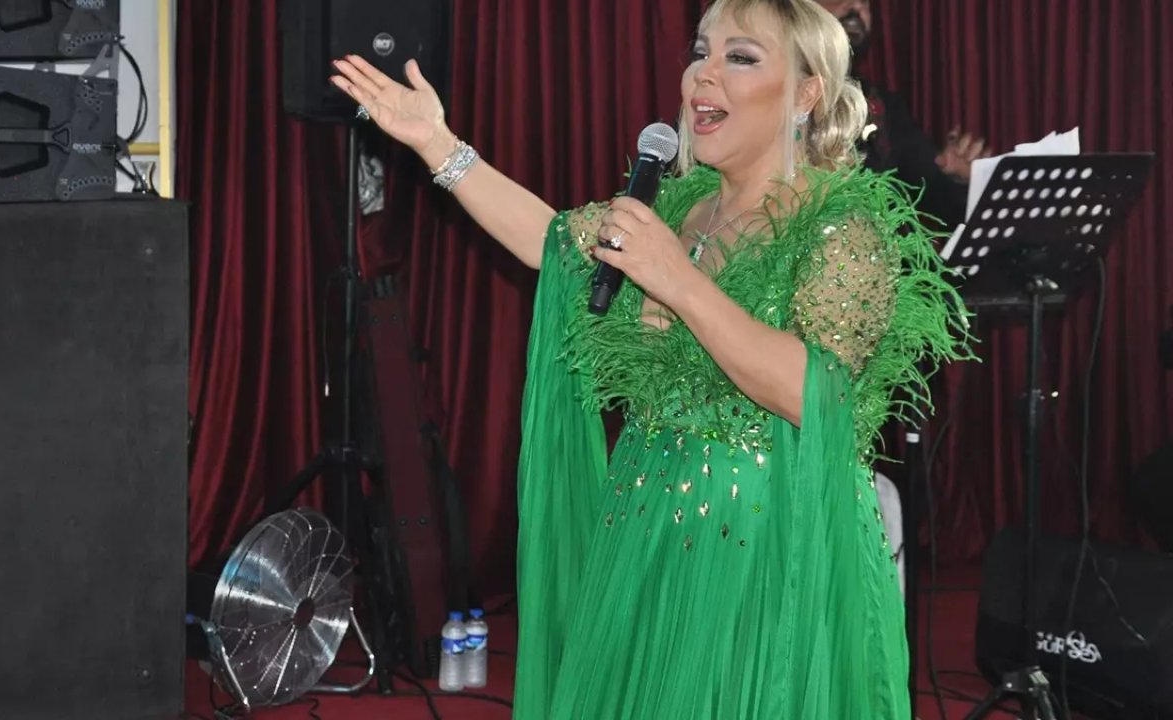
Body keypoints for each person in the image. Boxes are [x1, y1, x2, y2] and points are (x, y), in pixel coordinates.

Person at [331, 0, 971, 716]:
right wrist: (439, 145)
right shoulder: (674, 207)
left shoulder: (842, 224)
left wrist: (680, 283)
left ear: (806, 92)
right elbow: (554, 242)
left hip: (769, 558)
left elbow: (813, 391)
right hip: (646, 533)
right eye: (701, 51)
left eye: (740, 57)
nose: (704, 74)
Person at [816, 0, 989, 228]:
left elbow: (933, 196)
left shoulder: (884, 106)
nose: (856, 7)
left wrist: (959, 178)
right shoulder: (781, 99)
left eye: (865, 2)